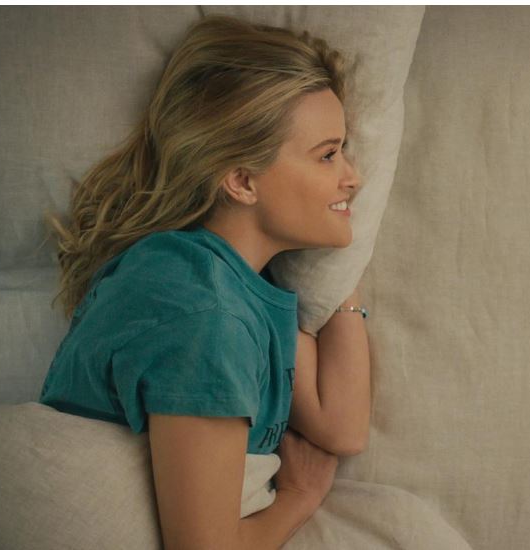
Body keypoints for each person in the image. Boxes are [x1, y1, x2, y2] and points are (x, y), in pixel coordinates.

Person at [38, 16, 371, 548]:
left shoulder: (229, 280)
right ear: (241, 180)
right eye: (328, 154)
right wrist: (297, 497)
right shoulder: (204, 317)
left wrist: (341, 272)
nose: (354, 176)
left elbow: (340, 426)